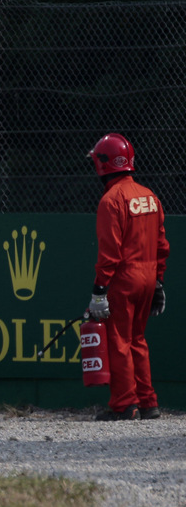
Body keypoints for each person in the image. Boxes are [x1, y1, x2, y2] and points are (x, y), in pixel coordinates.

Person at [85, 133, 169, 421]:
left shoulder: (111, 201)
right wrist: (158, 280)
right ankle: (148, 402)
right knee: (138, 340)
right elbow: (161, 244)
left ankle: (125, 405)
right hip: (147, 278)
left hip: (123, 279)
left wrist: (99, 291)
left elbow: (110, 254)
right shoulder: (150, 197)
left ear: (102, 164)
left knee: (119, 341)